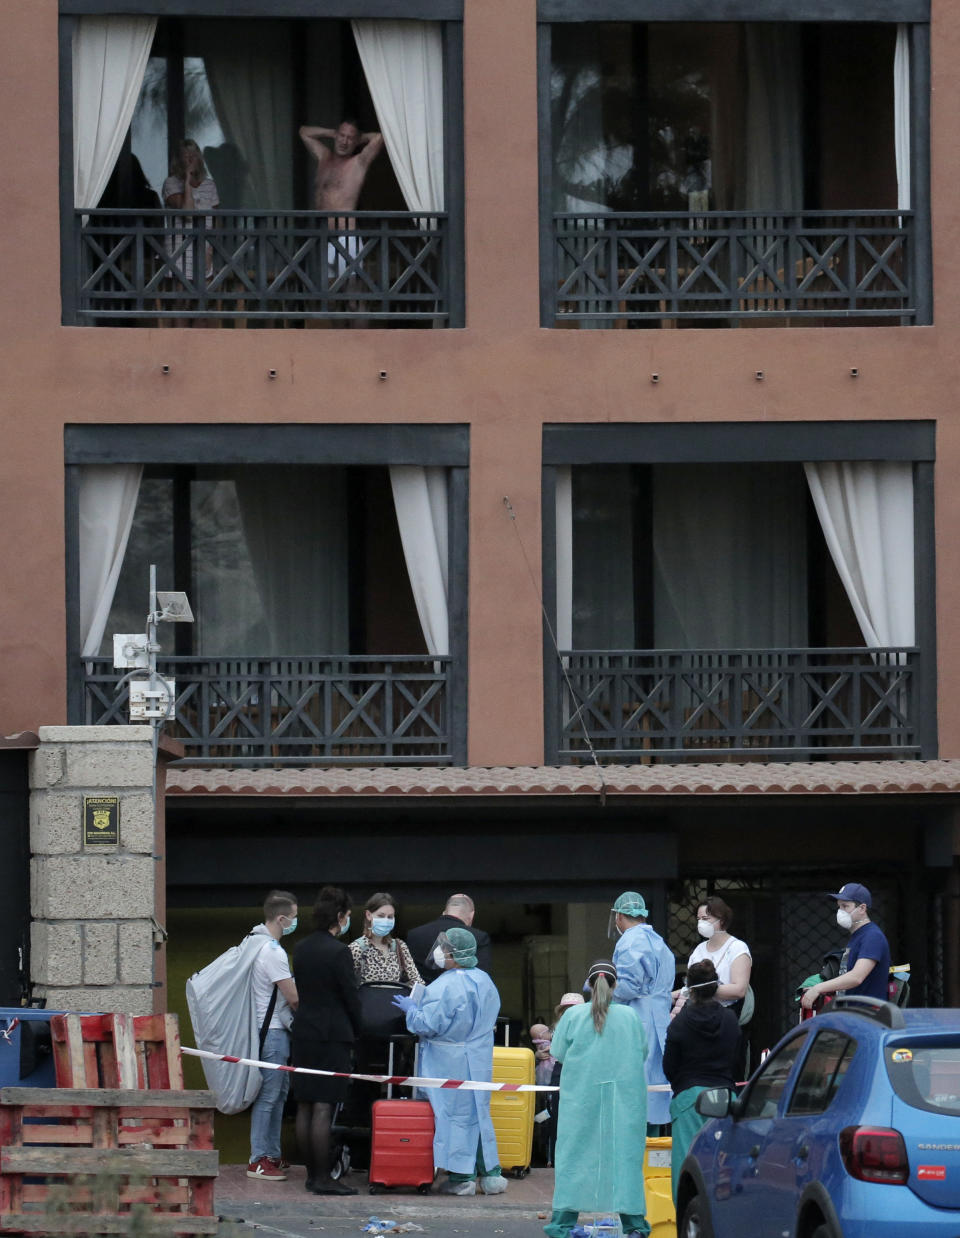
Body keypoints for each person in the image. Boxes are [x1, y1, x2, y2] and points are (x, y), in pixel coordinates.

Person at [393, 927, 508, 1197]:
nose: (440, 952)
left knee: (454, 1118)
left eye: (445, 948)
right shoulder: (485, 981)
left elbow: (428, 1024)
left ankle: (462, 1178)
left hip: (449, 1060)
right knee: (479, 1113)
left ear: (455, 954)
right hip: (478, 1058)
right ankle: (491, 1175)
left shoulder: (444, 985)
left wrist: (412, 1012)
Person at [545, 960, 650, 1238]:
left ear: (589, 986)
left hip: (580, 1099)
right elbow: (643, 1052)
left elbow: (558, 1052)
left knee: (574, 1156)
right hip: (625, 1101)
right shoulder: (629, 1017)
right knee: (625, 1158)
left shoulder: (573, 1016)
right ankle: (634, 1226)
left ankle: (562, 1224)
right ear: (615, 986)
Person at [291, 885, 362, 1195]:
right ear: (340, 917)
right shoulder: (339, 952)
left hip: (304, 1032)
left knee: (305, 1104)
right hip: (332, 1035)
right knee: (324, 1106)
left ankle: (311, 1175)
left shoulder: (301, 948)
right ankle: (322, 1178)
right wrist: (358, 1030)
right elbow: (351, 997)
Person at [662, 960, 740, 1205]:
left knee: (687, 1168)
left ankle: (690, 1222)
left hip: (690, 1098)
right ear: (716, 986)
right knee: (725, 1165)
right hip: (725, 1096)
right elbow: (736, 1058)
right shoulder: (729, 1020)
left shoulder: (680, 1023)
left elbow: (669, 1066)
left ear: (690, 990)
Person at [609, 891, 675, 1129]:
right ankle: (656, 1145)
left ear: (618, 917)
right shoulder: (658, 941)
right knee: (656, 1084)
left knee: (636, 1085)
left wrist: (601, 990)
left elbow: (628, 985)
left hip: (637, 1018)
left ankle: (641, 1146)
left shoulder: (629, 941)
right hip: (659, 1018)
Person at [246, 890, 299, 1182]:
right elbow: (293, 998)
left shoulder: (253, 944)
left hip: (264, 1031)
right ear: (281, 918)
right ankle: (258, 1158)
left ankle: (271, 1153)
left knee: (277, 1095)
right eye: (293, 917)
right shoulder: (273, 952)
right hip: (273, 1033)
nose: (294, 922)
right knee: (269, 1097)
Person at [672, 896, 752, 1076]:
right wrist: (672, 995)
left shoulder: (737, 948)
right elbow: (689, 988)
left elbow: (739, 989)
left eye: (706, 919)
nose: (701, 923)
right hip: (697, 1019)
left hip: (726, 1020)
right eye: (699, 919)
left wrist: (705, 989)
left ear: (721, 919)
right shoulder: (699, 951)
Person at [298, 119, 384, 279]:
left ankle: (357, 305)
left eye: (350, 138)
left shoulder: (358, 163)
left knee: (352, 294)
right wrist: (332, 133)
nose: (344, 141)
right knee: (327, 298)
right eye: (342, 136)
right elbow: (304, 132)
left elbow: (379, 137)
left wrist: (359, 137)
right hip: (322, 237)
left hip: (346, 237)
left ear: (356, 142)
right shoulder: (324, 157)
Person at [801, 882, 892, 1010]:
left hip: (868, 1016)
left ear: (862, 908)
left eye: (845, 906)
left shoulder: (872, 936)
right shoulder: (859, 936)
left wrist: (818, 988)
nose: (840, 911)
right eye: (839, 906)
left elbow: (856, 977)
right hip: (854, 1013)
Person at [162, 138, 219, 286]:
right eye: (185, 154)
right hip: (179, 248)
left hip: (204, 247)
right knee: (181, 298)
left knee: (204, 294)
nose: (190, 158)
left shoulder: (209, 185)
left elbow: (216, 220)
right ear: (179, 159)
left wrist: (211, 248)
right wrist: (187, 180)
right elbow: (187, 213)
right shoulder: (171, 183)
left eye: (193, 154)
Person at [407, 894, 492, 980]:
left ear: (444, 913)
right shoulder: (479, 937)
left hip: (423, 992)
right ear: (472, 915)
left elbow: (408, 975)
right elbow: (481, 976)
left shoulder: (414, 934)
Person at [349, 891, 423, 986]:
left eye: (390, 917)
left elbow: (417, 982)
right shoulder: (356, 948)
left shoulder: (399, 947)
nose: (385, 920)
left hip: (393, 999)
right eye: (381, 916)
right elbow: (347, 986)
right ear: (368, 915)